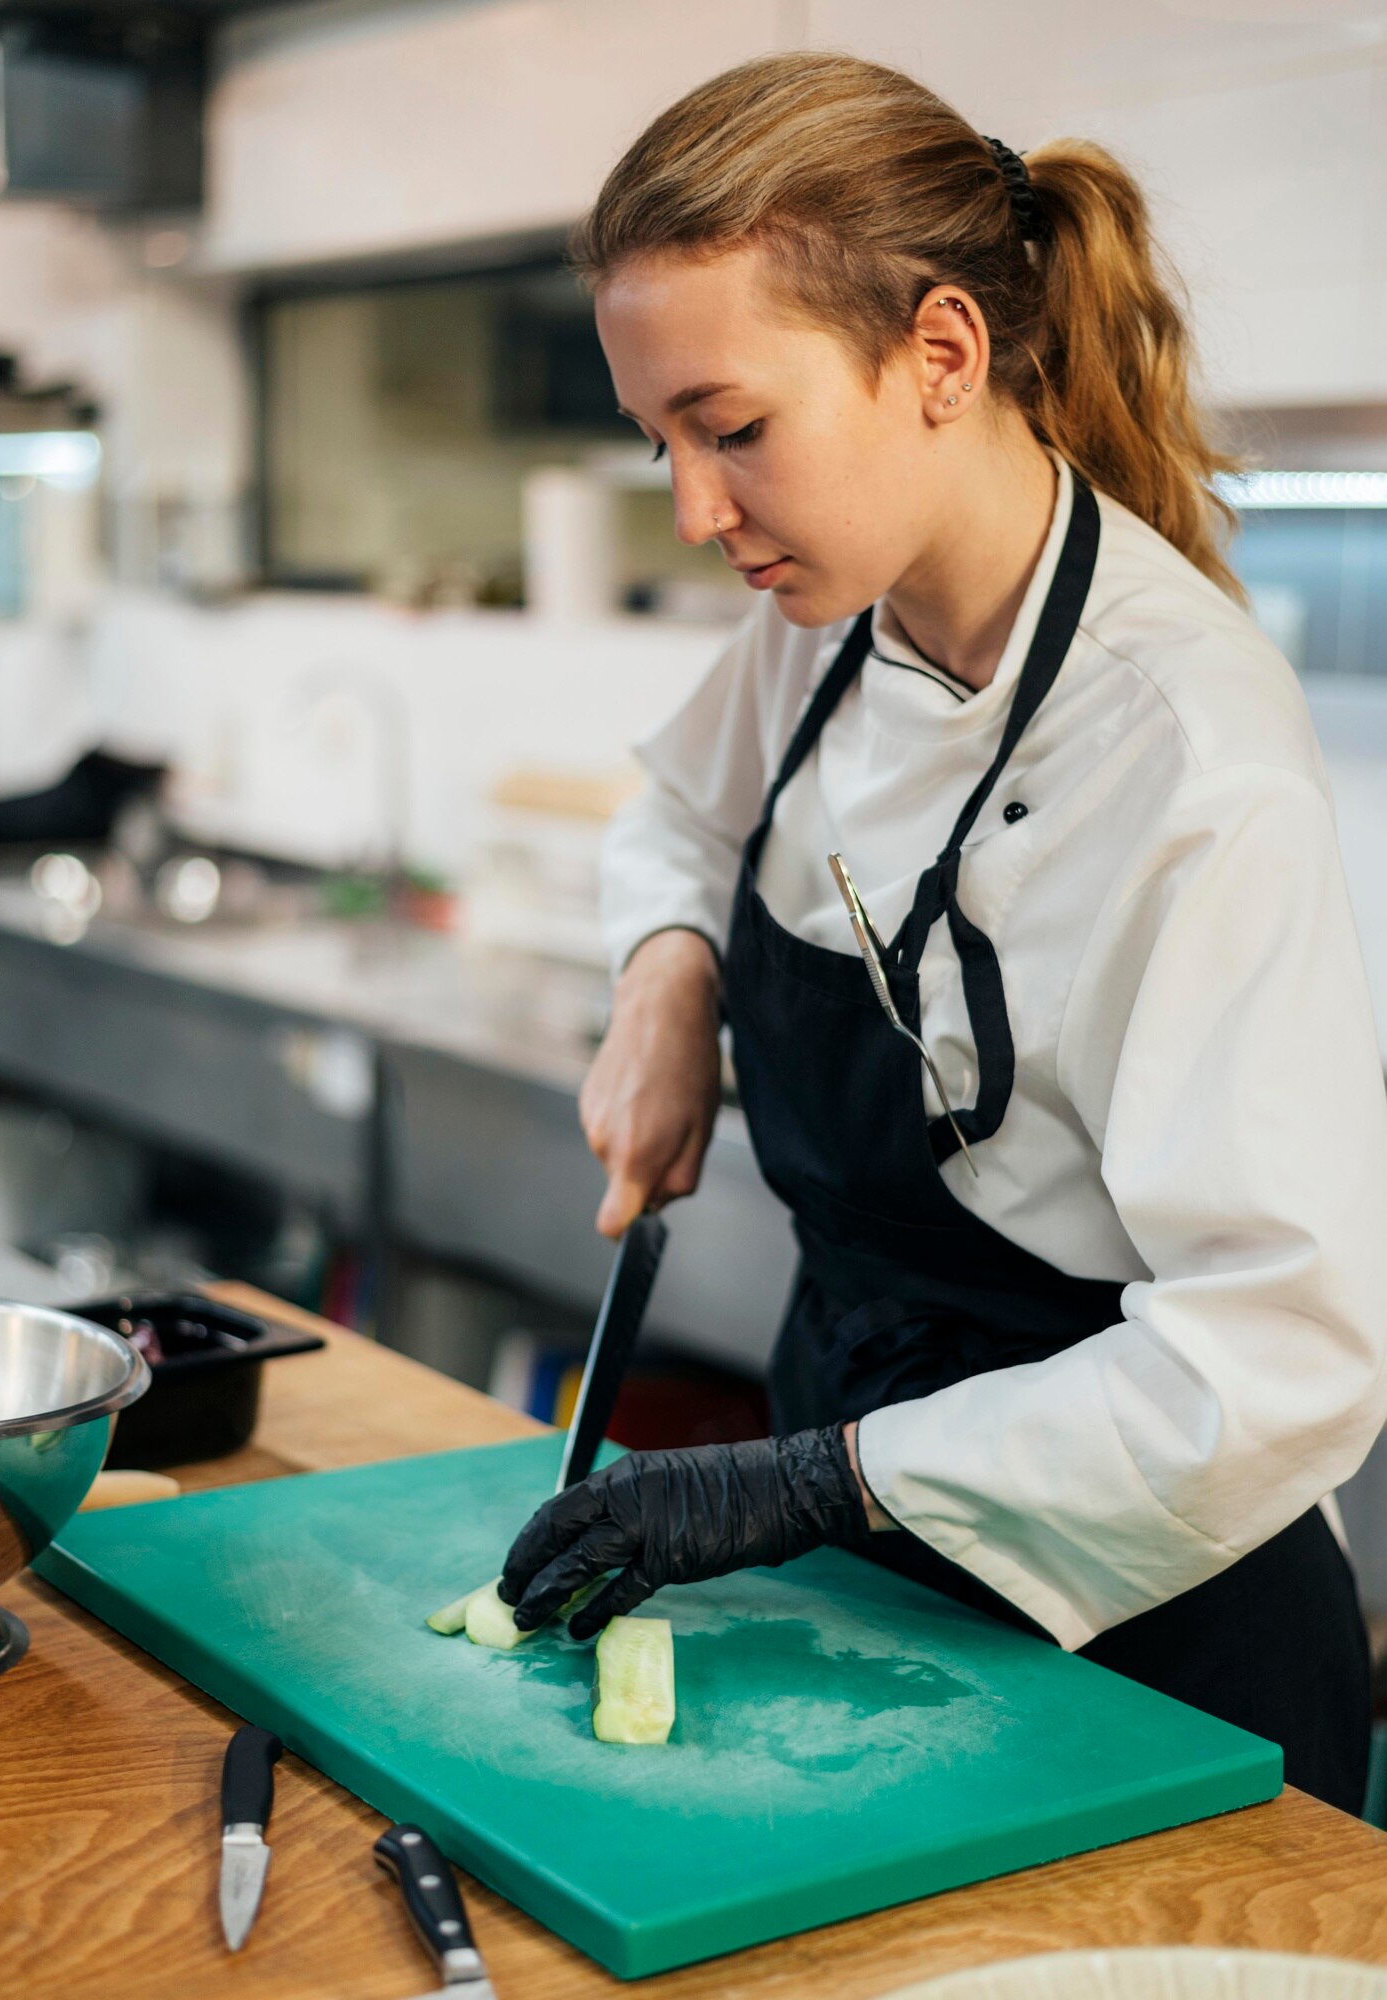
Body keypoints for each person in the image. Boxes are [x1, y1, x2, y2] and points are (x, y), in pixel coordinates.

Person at [497, 51, 1387, 1813]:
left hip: (1144, 1634)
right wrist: (666, 979)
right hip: (861, 1532)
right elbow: (683, 812)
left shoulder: (1191, 758)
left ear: (944, 356)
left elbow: (1283, 1354)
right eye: (660, 438)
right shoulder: (831, 614)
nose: (694, 511)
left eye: (733, 427)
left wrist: (799, 1486)